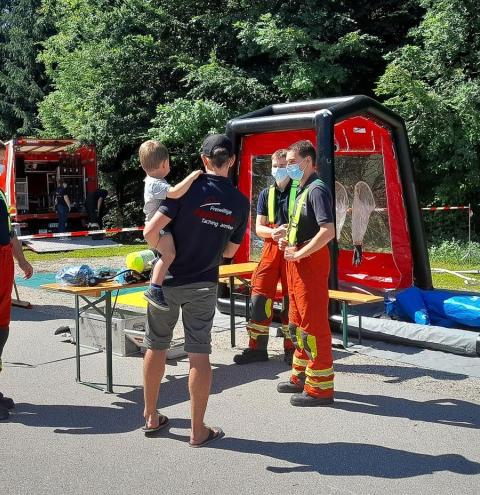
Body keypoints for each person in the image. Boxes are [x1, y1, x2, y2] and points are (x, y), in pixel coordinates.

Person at [142, 134, 249, 446]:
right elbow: (230, 252)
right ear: (231, 161)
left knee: (156, 345)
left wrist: (163, 253)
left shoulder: (187, 190)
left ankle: (151, 416)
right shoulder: (241, 203)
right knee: (198, 354)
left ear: (204, 160)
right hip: (203, 283)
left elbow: (150, 230)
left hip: (168, 281)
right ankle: (197, 430)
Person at [277, 140, 336, 407]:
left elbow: (328, 231)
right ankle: (300, 376)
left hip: (309, 263)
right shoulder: (300, 190)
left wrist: (301, 253)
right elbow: (302, 226)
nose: (288, 167)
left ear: (308, 162)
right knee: (296, 323)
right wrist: (285, 239)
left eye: (292, 162)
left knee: (313, 326)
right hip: (296, 262)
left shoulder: (317, 190)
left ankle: (320, 389)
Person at [234, 149, 295, 365]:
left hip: (291, 250)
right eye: (275, 166)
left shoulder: (300, 191)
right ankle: (257, 348)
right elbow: (259, 228)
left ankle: (292, 350)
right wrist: (273, 233)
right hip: (270, 249)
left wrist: (285, 233)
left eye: (282, 166)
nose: (278, 170)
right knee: (259, 296)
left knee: (292, 300)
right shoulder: (265, 194)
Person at [140, 140, 203, 311]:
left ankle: (156, 269)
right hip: (158, 226)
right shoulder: (156, 183)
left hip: (160, 226)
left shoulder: (153, 181)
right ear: (164, 163)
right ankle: (154, 288)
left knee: (168, 254)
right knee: (169, 254)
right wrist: (192, 176)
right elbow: (175, 193)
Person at [0, 182, 33, 421]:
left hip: (3, 261)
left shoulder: (0, 192)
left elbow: (10, 233)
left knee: (1, 330)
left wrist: (21, 261)